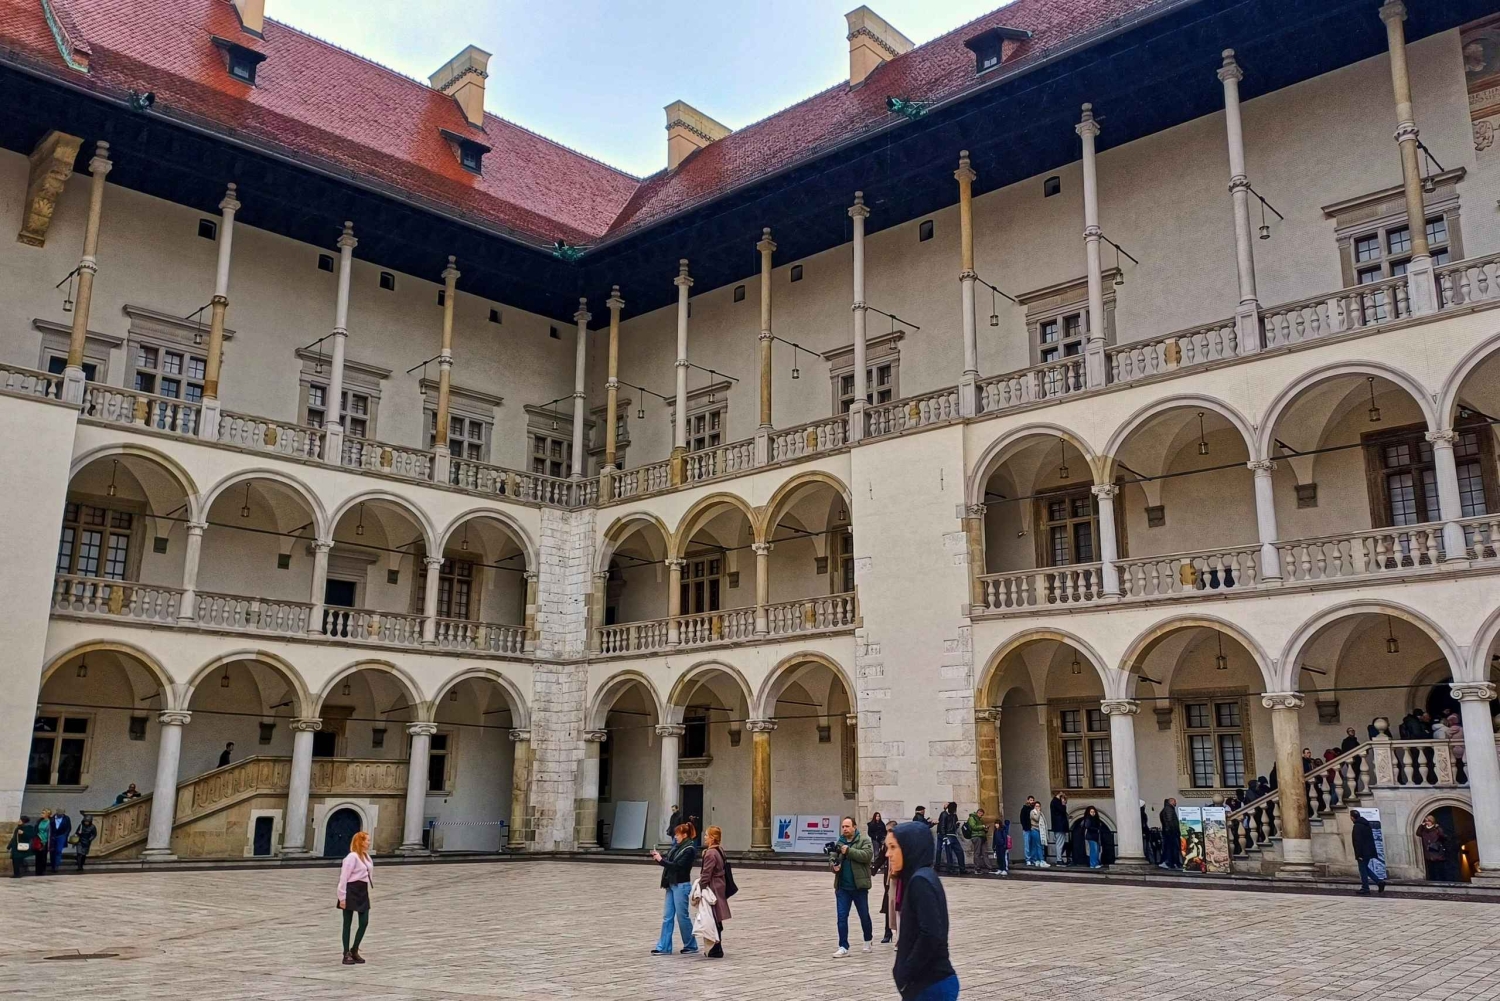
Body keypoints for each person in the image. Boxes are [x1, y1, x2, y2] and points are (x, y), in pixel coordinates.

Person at [886, 822, 959, 1001]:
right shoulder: (920, 877)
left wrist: (907, 971)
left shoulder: (921, 881)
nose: (888, 854)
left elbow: (931, 933)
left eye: (893, 847)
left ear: (910, 847)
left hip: (930, 984)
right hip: (926, 983)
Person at [652, 823, 698, 955]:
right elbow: (670, 862)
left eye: (677, 834)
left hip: (681, 885)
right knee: (667, 916)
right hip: (671, 883)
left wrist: (661, 860)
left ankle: (691, 945)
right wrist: (660, 859)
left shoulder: (689, 849)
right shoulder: (676, 848)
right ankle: (664, 947)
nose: (675, 837)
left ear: (685, 835)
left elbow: (677, 866)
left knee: (682, 916)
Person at [831, 815, 874, 957]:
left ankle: (868, 940)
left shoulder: (864, 840)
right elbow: (833, 857)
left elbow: (867, 855)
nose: (845, 829)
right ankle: (843, 946)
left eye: (847, 826)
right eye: (843, 826)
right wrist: (833, 865)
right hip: (842, 887)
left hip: (859, 887)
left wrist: (849, 851)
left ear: (854, 827)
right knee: (842, 917)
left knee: (864, 915)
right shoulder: (840, 841)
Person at [336, 829, 374, 965]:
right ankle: (346, 952)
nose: (369, 843)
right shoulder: (351, 857)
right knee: (347, 923)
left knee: (364, 921)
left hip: (362, 891)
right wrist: (342, 897)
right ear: (361, 842)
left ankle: (355, 949)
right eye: (367, 840)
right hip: (351, 890)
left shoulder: (366, 856)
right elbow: (344, 877)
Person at [698, 825, 731, 959]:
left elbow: (707, 873)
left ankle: (715, 947)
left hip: (713, 887)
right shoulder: (719, 850)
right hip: (720, 884)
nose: (705, 837)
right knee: (716, 916)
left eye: (707, 835)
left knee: (712, 916)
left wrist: (700, 887)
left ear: (712, 838)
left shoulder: (711, 853)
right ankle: (716, 946)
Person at [1351, 811, 1385, 895]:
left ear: (1352, 817)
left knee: (1363, 870)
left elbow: (1357, 842)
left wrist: (1359, 854)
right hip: (1368, 851)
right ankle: (1379, 882)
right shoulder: (1366, 824)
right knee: (1365, 868)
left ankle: (1365, 887)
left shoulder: (1357, 826)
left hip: (1362, 852)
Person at [1418, 814, 1453, 882]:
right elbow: (1418, 833)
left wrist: (1438, 828)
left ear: (1432, 821)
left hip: (1437, 851)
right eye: (1426, 821)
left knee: (1440, 869)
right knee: (1431, 869)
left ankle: (1443, 881)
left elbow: (1442, 836)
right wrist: (1421, 826)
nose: (1427, 822)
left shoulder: (1436, 829)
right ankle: (1433, 880)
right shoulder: (1424, 830)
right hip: (1429, 852)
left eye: (1428, 821)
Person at [936, 803, 965, 875]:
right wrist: (944, 836)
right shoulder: (944, 814)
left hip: (952, 835)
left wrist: (957, 825)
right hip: (948, 835)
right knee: (950, 853)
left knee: (959, 851)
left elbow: (950, 825)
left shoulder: (953, 815)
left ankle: (961, 869)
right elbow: (942, 826)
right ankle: (951, 869)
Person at [1158, 798, 1181, 870]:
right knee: (1171, 848)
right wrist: (1174, 830)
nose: (1176, 803)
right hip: (1171, 833)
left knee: (1168, 848)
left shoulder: (1166, 809)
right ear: (1171, 802)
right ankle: (1168, 862)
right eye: (1174, 801)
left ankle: (1169, 862)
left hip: (1168, 832)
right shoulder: (1169, 809)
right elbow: (1170, 821)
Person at [1025, 799, 1048, 868]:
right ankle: (1041, 860)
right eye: (1036, 806)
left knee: (1037, 845)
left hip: (1040, 830)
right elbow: (1036, 819)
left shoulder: (1041, 813)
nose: (1037, 807)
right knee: (1038, 845)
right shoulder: (1032, 812)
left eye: (1039, 806)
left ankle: (1037, 860)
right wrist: (1038, 812)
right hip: (1034, 829)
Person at [1049, 793, 1069, 864]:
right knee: (1059, 844)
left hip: (1059, 827)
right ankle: (1059, 860)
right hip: (1060, 827)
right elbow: (1062, 810)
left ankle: (1059, 859)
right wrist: (1062, 802)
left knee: (1060, 843)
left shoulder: (1055, 805)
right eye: (1063, 799)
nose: (1064, 801)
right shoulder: (1058, 805)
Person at [990, 809, 1009, 876]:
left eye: (997, 824)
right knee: (998, 858)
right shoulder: (995, 831)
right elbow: (994, 839)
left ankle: (1004, 869)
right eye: (995, 824)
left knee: (1002, 858)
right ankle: (1000, 868)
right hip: (997, 846)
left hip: (1002, 845)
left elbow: (1005, 838)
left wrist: (1005, 845)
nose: (996, 825)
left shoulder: (1002, 830)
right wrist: (993, 846)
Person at [33, 809, 50, 876]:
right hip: (38, 839)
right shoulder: (40, 821)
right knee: (38, 856)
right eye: (42, 812)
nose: (41, 814)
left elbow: (50, 832)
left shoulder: (50, 822)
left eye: (43, 813)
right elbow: (36, 829)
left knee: (43, 856)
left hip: (45, 840)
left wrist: (46, 840)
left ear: (47, 814)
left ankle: (42, 870)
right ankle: (37, 871)